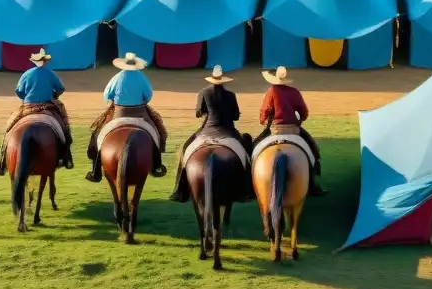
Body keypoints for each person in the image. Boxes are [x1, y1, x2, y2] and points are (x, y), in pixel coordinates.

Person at [169, 65, 254, 203]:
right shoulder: (231, 95)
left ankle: (179, 189)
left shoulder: (203, 92)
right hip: (228, 132)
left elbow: (198, 113)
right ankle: (247, 189)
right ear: (223, 80)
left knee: (185, 149)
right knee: (246, 155)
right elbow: (235, 117)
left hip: (206, 131)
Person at [0, 49, 74, 175]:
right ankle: (66, 157)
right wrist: (54, 95)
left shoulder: (26, 74)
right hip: (47, 105)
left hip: (28, 105)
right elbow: (61, 88)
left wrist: (26, 97)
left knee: (9, 128)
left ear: (34, 62)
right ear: (45, 61)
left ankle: (1, 162)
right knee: (63, 125)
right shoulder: (50, 73)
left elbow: (18, 91)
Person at [86, 52, 168, 183]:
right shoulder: (142, 77)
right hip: (140, 112)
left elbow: (107, 95)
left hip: (119, 112)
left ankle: (95, 171)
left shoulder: (117, 77)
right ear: (136, 65)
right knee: (158, 131)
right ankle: (157, 165)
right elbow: (148, 96)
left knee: (97, 132)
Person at [256, 66, 325, 196]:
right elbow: (304, 112)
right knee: (313, 150)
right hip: (294, 129)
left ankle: (250, 187)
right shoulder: (294, 92)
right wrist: (300, 119)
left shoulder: (271, 91)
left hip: (275, 130)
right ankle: (312, 185)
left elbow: (265, 111)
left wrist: (262, 120)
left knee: (254, 148)